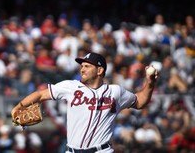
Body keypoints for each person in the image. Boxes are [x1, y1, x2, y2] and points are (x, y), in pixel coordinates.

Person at [11, 52, 158, 153]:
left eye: (87, 66)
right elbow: (40, 94)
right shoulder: (71, 87)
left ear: (99, 70)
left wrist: (150, 83)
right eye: (82, 66)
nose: (82, 69)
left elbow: (140, 102)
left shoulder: (115, 92)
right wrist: (18, 107)